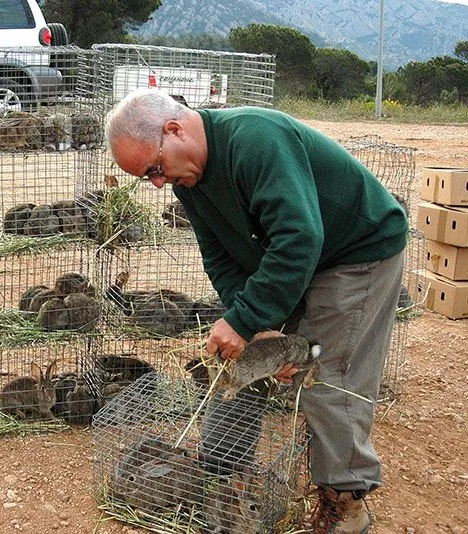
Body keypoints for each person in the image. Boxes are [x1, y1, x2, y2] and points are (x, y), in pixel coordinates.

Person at [104, 88, 408, 534]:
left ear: (174, 130)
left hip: (356, 252)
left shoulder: (255, 140)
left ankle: (346, 503)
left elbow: (300, 237)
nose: (156, 183)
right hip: (298, 255)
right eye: (146, 177)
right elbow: (220, 257)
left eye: (154, 168)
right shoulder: (188, 179)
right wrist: (255, 325)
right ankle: (222, 475)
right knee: (241, 362)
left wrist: (245, 320)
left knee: (326, 374)